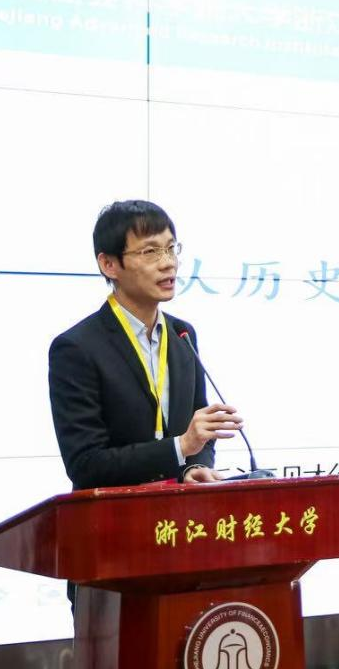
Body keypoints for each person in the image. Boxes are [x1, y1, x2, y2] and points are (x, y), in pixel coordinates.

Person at [48, 200, 244, 491]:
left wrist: (196, 466)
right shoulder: (76, 348)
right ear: (109, 264)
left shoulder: (182, 335)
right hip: (113, 515)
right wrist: (180, 446)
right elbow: (86, 464)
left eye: (171, 248)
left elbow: (197, 430)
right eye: (150, 251)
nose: (168, 263)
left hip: (180, 511)